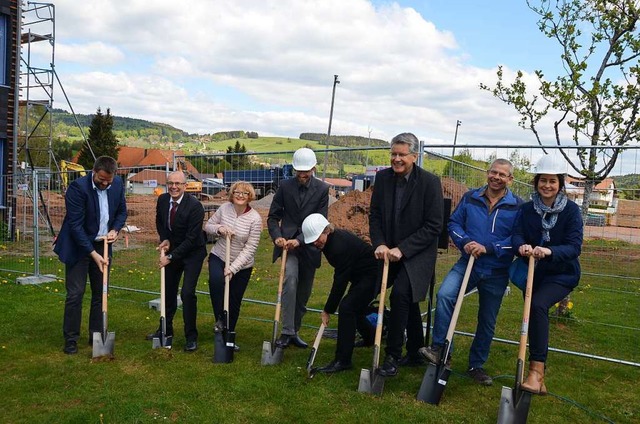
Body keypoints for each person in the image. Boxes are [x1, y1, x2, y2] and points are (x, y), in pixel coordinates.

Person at [419, 159, 522, 386]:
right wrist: (465, 241)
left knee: (487, 318)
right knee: (445, 295)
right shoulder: (470, 197)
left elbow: (516, 239)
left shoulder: (517, 206)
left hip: (496, 270)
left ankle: (477, 365)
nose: (496, 177)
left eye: (502, 174)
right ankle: (442, 351)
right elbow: (454, 224)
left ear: (510, 179)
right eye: (493, 172)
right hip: (468, 264)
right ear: (488, 173)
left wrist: (490, 248)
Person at [369, 132, 443, 377]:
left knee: (400, 294)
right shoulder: (382, 178)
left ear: (415, 155)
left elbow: (434, 226)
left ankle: (392, 355)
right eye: (393, 154)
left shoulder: (429, 182)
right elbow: (375, 215)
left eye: (402, 154)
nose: (397, 159)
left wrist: (405, 249)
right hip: (389, 250)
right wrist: (379, 243)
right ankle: (415, 350)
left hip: (418, 252)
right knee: (407, 300)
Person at [511, 154, 583, 395]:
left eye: (552, 181)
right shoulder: (527, 209)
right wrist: (521, 246)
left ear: (560, 184)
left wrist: (549, 250)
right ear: (536, 182)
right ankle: (538, 379)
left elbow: (574, 247)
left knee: (538, 306)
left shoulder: (571, 211)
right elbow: (517, 234)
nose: (547, 186)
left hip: (562, 274)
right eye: (543, 180)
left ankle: (536, 372)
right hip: (534, 273)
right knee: (531, 315)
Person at [54, 156, 127, 355]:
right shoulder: (78, 189)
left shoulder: (117, 184)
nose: (104, 184)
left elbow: (121, 211)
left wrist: (115, 229)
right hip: (78, 247)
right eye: (101, 179)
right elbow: (75, 227)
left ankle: (96, 335)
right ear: (94, 172)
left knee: (100, 293)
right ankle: (70, 339)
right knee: (75, 294)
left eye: (108, 181)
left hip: (103, 244)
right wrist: (93, 254)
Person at [267, 147, 329, 349]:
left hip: (310, 247)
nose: (302, 175)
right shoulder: (284, 186)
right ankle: (286, 331)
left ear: (313, 168)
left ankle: (294, 331)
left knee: (303, 293)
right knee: (291, 281)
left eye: (306, 171)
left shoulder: (322, 189)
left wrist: (301, 240)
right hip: (288, 247)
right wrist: (278, 237)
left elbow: (321, 221)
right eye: (299, 171)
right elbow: (273, 217)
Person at [301, 214, 378, 373]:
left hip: (372, 275)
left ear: (327, 230)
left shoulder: (337, 246)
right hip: (360, 275)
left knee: (347, 307)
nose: (316, 242)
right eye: (313, 240)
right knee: (354, 307)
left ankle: (342, 360)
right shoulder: (331, 241)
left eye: (318, 238)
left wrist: (328, 309)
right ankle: (370, 337)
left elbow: (340, 282)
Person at [147, 171, 207, 352]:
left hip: (192, 253)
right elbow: (160, 221)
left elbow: (191, 239)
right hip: (172, 249)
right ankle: (165, 329)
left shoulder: (195, 207)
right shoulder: (163, 200)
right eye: (170, 183)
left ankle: (191, 336)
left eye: (178, 184)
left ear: (185, 186)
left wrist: (171, 257)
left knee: (187, 293)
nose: (174, 187)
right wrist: (165, 239)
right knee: (168, 291)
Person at [204, 181, 262, 351]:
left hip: (242, 265)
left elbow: (250, 248)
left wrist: (233, 268)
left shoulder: (255, 219)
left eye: (244, 193)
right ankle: (220, 320)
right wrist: (220, 229)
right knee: (216, 283)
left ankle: (229, 333)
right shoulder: (224, 208)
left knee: (234, 300)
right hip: (219, 256)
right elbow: (208, 226)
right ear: (232, 193)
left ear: (249, 196)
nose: (240, 195)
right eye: (237, 192)